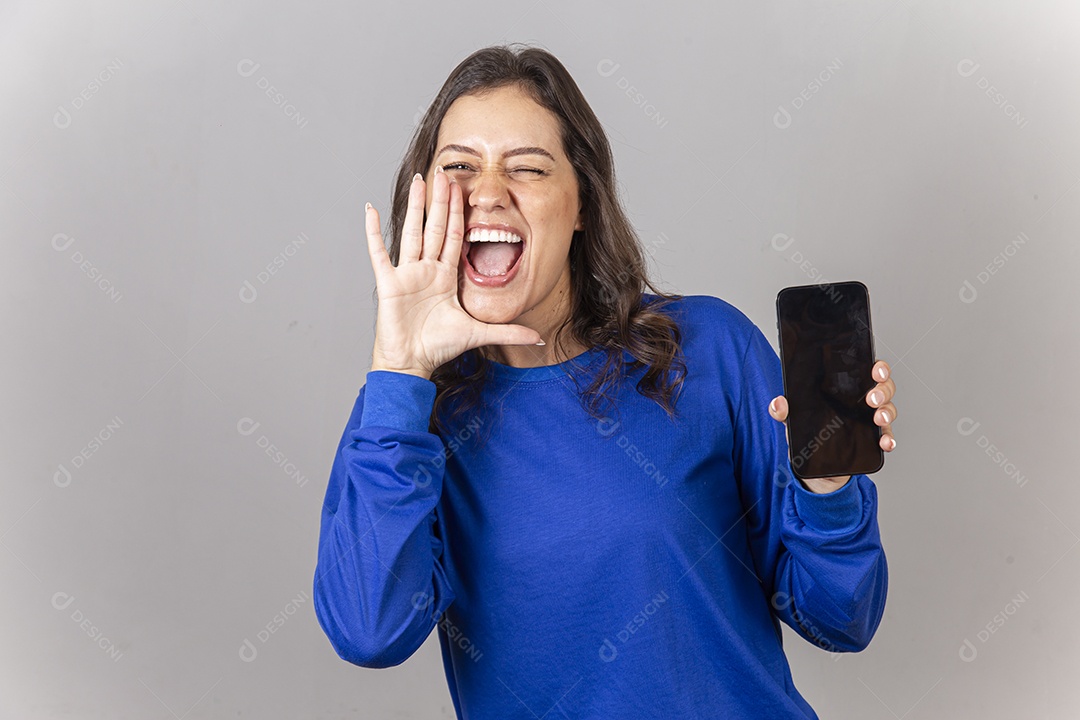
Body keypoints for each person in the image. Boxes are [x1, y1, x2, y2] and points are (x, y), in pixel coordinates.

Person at [313, 43, 896, 719]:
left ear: (581, 204)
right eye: (459, 167)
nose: (488, 192)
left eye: (527, 168)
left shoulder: (709, 348)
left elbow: (841, 619)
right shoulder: (410, 413)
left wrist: (828, 485)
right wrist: (400, 372)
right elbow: (369, 631)